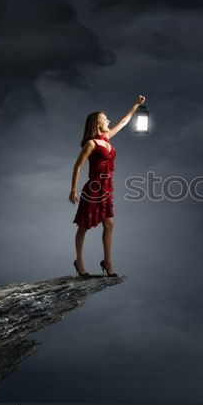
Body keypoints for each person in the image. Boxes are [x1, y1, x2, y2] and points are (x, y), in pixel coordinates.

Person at [69, 95, 146, 278]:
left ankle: (107, 261)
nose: (109, 120)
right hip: (93, 188)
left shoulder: (107, 138)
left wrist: (135, 105)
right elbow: (78, 165)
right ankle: (79, 262)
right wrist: (73, 189)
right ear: (97, 123)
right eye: (105, 118)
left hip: (106, 188)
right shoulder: (91, 143)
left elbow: (124, 121)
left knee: (109, 224)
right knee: (84, 226)